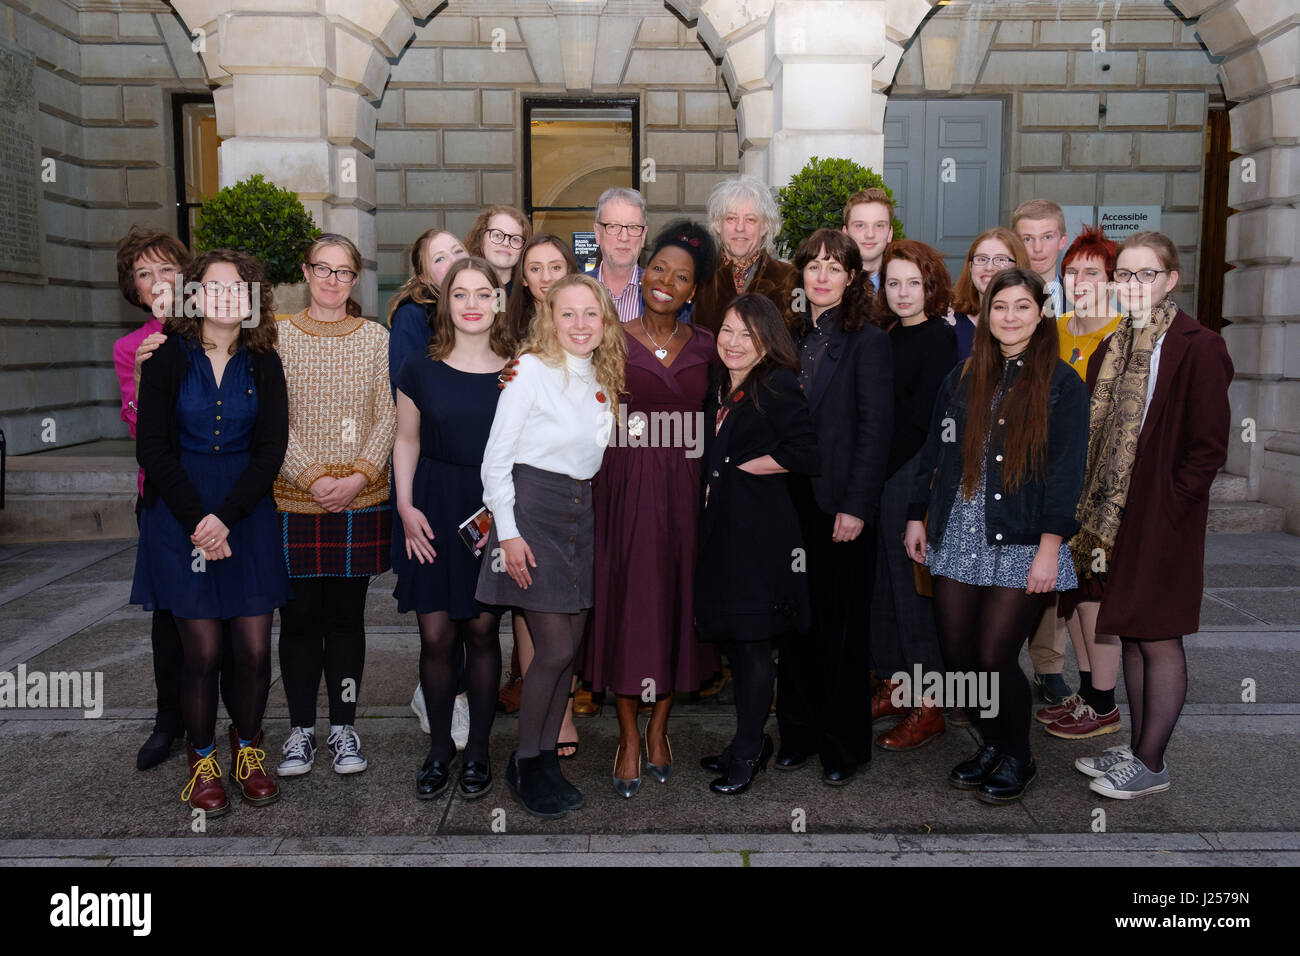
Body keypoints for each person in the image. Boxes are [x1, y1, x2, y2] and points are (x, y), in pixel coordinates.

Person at [904, 268, 1088, 804]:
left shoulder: (1061, 384)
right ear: (985, 315)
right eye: (999, 307)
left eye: (1022, 307)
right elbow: (933, 453)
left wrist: (1050, 549)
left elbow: (1066, 473)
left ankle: (1018, 756)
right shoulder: (963, 376)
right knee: (958, 651)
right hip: (958, 528)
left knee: (993, 653)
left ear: (1041, 312)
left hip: (1023, 537)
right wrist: (916, 515)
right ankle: (992, 741)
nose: (1010, 317)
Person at [1070, 232, 1232, 799]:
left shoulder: (1198, 344)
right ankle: (1139, 747)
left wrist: (1174, 505)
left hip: (1163, 517)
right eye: (1125, 276)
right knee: (1132, 632)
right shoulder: (1115, 344)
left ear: (1170, 280)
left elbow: (1209, 446)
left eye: (1145, 275)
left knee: (1159, 637)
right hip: (1115, 516)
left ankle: (1153, 763)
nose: (1133, 286)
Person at [130, 249, 291, 815]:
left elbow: (272, 448)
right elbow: (151, 446)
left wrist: (226, 518)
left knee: (250, 649)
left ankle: (247, 749)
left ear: (252, 300)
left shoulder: (265, 360)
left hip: (246, 516)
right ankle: (201, 760)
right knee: (199, 651)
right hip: (179, 517)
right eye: (214, 286)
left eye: (238, 287)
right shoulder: (168, 359)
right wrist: (200, 520)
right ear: (193, 294)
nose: (226, 295)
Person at [474, 273, 626, 818]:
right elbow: (496, 460)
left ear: (604, 321)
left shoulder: (604, 377)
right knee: (555, 650)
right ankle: (526, 761)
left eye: (591, 314)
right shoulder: (529, 372)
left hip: (580, 515)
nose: (580, 324)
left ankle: (544, 761)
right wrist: (508, 533)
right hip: (532, 513)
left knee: (569, 653)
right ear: (549, 318)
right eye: (568, 313)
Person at [578, 220, 722, 797]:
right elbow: (572, 390)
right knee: (629, 609)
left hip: (685, 495)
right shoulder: (609, 336)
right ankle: (628, 737)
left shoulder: (711, 346)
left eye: (680, 276)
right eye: (658, 269)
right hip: (624, 489)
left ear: (694, 289)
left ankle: (661, 730)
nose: (666, 281)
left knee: (673, 610)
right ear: (644, 275)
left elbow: (727, 418)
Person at [273, 235, 396, 778]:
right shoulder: (274, 335)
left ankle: (344, 727)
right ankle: (301, 730)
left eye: (343, 272)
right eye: (322, 269)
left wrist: (359, 477)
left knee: (346, 621)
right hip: (292, 502)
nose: (331, 280)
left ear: (355, 280)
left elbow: (388, 415)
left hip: (360, 501)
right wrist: (312, 477)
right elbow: (272, 420)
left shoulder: (376, 338)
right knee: (298, 620)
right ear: (305, 271)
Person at [112, 229, 234, 772]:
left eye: (167, 270)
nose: (158, 281)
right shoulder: (128, 348)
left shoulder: (222, 331)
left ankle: (231, 720)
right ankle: (170, 722)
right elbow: (139, 432)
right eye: (145, 273)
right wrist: (140, 375)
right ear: (135, 290)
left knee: (229, 615)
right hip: (164, 500)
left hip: (224, 497)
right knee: (170, 617)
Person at [775, 229, 892, 786]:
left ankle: (844, 749)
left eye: (834, 267)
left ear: (851, 277)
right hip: (786, 502)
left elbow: (875, 432)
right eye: (813, 266)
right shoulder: (788, 335)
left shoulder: (867, 340)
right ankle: (796, 735)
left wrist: (857, 506)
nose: (821, 276)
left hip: (839, 506)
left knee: (842, 632)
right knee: (795, 625)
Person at [393, 256, 512, 799]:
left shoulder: (518, 370)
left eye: (482, 294)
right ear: (446, 303)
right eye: (460, 294)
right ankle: (440, 748)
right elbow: (407, 440)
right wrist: (405, 506)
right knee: (437, 635)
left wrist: (508, 521)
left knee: (483, 631)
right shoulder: (419, 367)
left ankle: (480, 751)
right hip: (433, 509)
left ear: (498, 302)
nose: (472, 304)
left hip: (492, 508)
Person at [696, 294, 820, 795]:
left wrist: (748, 468)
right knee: (736, 642)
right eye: (727, 330)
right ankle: (744, 741)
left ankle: (748, 752)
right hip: (724, 532)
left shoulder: (778, 384)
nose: (733, 342)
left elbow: (809, 451)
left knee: (752, 649)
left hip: (760, 538)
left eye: (747, 334)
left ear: (767, 340)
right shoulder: (720, 384)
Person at [497, 233, 587, 754]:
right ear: (523, 278)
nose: (548, 275)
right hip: (520, 489)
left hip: (576, 503)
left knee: (565, 636)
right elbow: (499, 453)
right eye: (537, 267)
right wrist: (507, 528)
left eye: (558, 265)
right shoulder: (520, 353)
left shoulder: (591, 349)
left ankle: (554, 724)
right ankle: (531, 751)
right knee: (544, 632)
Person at [1036, 225, 1126, 740]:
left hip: (1103, 491)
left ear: (1112, 280)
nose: (1079, 279)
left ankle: (1103, 701)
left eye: (1092, 271)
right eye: (1072, 271)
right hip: (1057, 480)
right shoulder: (1057, 328)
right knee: (1072, 596)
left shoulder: (1125, 336)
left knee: (1097, 596)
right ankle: (1087, 691)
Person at [869, 239, 958, 752]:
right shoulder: (887, 334)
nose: (903, 293)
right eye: (894, 282)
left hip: (911, 475)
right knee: (884, 586)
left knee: (911, 591)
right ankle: (896, 685)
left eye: (913, 283)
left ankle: (929, 706)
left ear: (931, 287)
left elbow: (923, 423)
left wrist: (880, 475)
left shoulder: (938, 340)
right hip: (883, 474)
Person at [691, 174, 798, 336]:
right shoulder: (698, 277)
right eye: (731, 218)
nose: (740, 228)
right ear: (718, 225)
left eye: (750, 220)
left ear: (765, 227)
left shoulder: (789, 278)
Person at [387, 229, 468, 387]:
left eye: (458, 251)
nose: (454, 261)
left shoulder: (485, 304)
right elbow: (406, 385)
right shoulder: (411, 316)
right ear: (423, 277)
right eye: (439, 259)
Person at [949, 227, 1031, 362]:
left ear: (1018, 266)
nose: (989, 267)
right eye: (982, 259)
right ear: (970, 267)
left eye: (1000, 259)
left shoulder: (1030, 323)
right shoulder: (949, 320)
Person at [588, 187, 648, 323]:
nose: (624, 237)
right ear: (597, 233)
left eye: (633, 227)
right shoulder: (574, 291)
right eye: (613, 226)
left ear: (643, 236)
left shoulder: (661, 293)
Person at [1012, 198, 1069, 319]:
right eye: (1027, 239)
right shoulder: (998, 297)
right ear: (1015, 244)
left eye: (1047, 237)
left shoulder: (1079, 300)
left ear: (1062, 241)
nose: (1037, 248)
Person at [466, 204, 531, 290]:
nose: (505, 243)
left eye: (515, 239)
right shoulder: (461, 291)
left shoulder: (531, 299)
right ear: (481, 238)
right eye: (497, 235)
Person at [841, 188, 895, 290]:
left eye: (879, 225)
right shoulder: (827, 284)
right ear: (845, 233)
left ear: (890, 233)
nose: (870, 234)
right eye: (860, 225)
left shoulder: (906, 287)